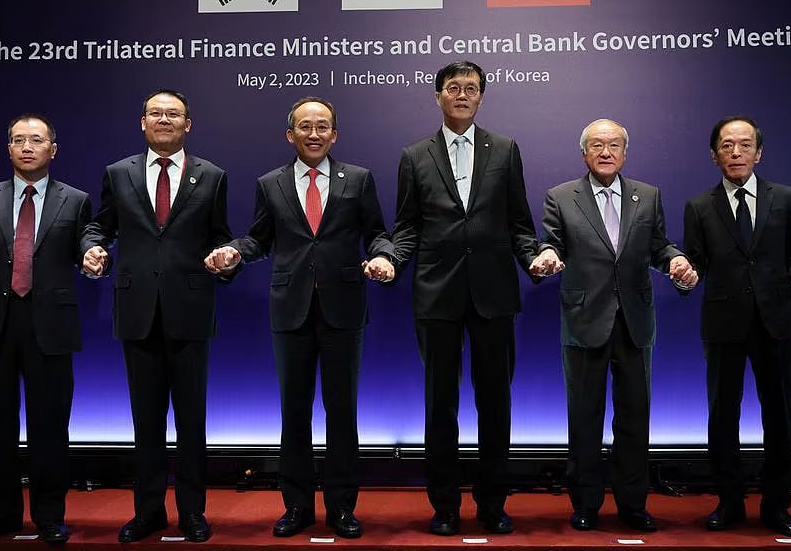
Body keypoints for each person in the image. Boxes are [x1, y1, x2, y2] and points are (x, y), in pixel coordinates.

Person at [206, 97, 395, 539]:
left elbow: (377, 234)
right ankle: (296, 507)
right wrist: (234, 252)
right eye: (305, 126)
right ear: (290, 134)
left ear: (335, 134)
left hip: (344, 310)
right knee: (294, 414)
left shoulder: (359, 179)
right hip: (289, 310)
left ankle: (342, 508)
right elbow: (259, 239)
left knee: (342, 413)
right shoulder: (270, 183)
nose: (314, 133)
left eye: (323, 126)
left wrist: (384, 256)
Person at [390, 60, 540, 536]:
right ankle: (446, 506)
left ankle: (493, 503)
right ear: (437, 96)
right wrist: (392, 259)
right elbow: (408, 226)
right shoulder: (414, 155)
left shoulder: (506, 149)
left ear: (480, 97)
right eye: (452, 87)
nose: (461, 95)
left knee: (496, 403)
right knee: (441, 406)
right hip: (437, 295)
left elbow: (519, 223)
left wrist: (534, 258)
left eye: (470, 88)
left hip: (494, 295)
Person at [81, 89, 236, 543]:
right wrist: (92, 248)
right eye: (156, 113)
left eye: (174, 114)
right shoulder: (118, 173)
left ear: (188, 124)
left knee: (192, 422)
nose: (164, 119)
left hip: (190, 310)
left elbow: (220, 237)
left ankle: (192, 512)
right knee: (144, 421)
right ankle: (147, 511)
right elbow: (100, 227)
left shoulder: (212, 175)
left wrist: (225, 259)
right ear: (142, 122)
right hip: (137, 312)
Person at [531, 118, 698, 533]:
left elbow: (659, 246)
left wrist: (675, 262)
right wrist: (549, 255)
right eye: (597, 145)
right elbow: (551, 240)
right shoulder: (561, 196)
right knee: (584, 418)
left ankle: (633, 506)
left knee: (634, 418)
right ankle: (585, 503)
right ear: (584, 152)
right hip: (584, 320)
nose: (606, 152)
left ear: (625, 152)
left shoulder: (649, 195)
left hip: (635, 323)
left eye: (614, 145)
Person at [683, 116, 791, 537]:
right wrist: (685, 272)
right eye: (726, 146)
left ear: (758, 153)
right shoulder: (698, 206)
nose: (736, 153)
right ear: (714, 155)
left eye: (745, 145)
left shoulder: (785, 198)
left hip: (776, 321)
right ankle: (728, 503)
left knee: (779, 417)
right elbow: (696, 261)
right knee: (722, 417)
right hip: (724, 323)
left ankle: (777, 505)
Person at [0, 114, 91, 544]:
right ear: (9, 148)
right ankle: (1, 514)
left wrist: (94, 259)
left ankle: (50, 515)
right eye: (19, 140)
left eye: (36, 140)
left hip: (50, 324)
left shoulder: (76, 200)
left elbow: (85, 247)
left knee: (50, 426)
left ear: (54, 149)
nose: (27, 146)